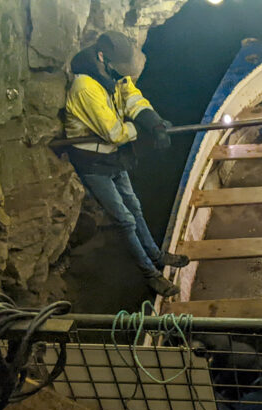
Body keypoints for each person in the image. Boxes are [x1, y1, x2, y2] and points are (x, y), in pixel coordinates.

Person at [64, 31, 188, 297]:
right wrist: (143, 132)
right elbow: (114, 132)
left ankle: (156, 255)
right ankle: (150, 274)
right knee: (125, 219)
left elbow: (133, 97)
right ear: (101, 57)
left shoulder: (112, 72)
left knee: (135, 206)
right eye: (121, 71)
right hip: (94, 162)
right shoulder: (85, 87)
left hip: (113, 156)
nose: (124, 75)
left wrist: (152, 121)